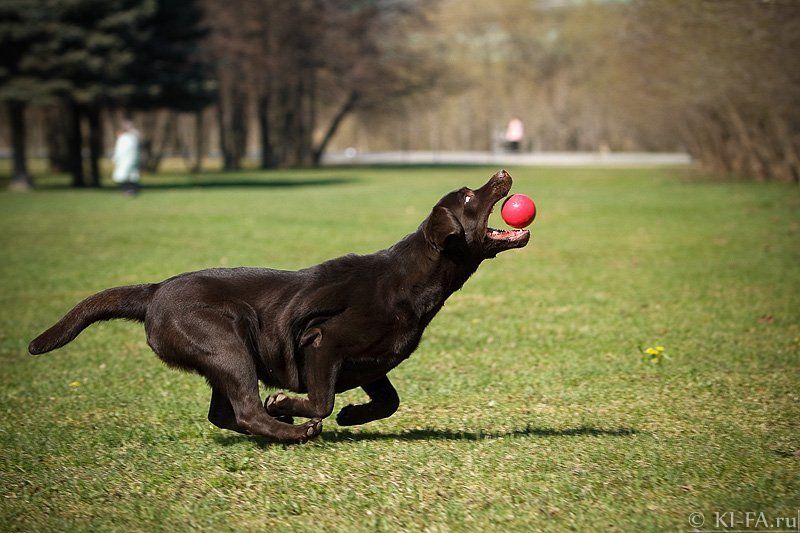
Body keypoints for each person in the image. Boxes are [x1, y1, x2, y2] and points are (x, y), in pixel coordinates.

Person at [112, 120, 141, 195]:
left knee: (128, 176)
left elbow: (121, 150)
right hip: (128, 160)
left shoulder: (128, 138)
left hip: (127, 160)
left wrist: (116, 158)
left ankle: (129, 191)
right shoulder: (130, 138)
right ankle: (129, 190)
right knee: (127, 176)